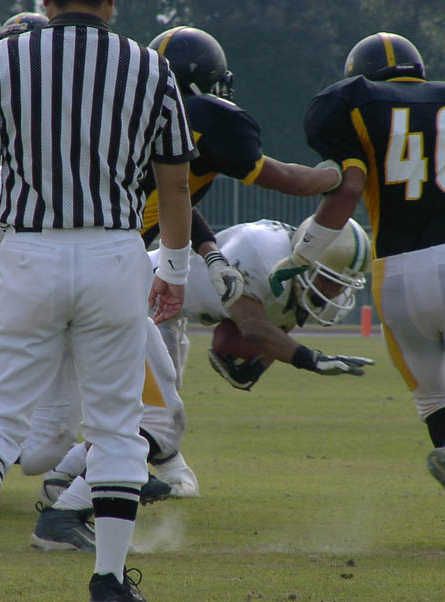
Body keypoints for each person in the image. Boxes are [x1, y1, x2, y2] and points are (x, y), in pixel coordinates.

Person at [0, 2, 195, 601]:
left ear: (48, 3)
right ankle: (108, 578)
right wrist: (175, 269)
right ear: (111, 3)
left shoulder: (6, 57)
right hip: (114, 253)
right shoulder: (149, 66)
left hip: (31, 251)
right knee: (115, 428)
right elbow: (176, 181)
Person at [275, 32, 445, 544]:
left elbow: (347, 193)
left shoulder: (354, 105)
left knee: (436, 401)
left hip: (392, 277)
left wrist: (301, 256)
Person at [144, 26, 345, 370]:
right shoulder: (207, 116)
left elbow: (174, 197)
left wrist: (208, 250)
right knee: (150, 400)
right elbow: (287, 180)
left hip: (68, 250)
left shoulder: (125, 115)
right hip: (117, 267)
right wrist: (335, 174)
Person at [152, 218, 374, 389]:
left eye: (341, 284)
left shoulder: (305, 282)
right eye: (328, 279)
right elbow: (254, 327)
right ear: (306, 261)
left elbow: (279, 326)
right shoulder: (262, 251)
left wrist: (254, 368)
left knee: (162, 410)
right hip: (149, 296)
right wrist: (312, 360)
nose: (332, 292)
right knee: (161, 413)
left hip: (173, 315)